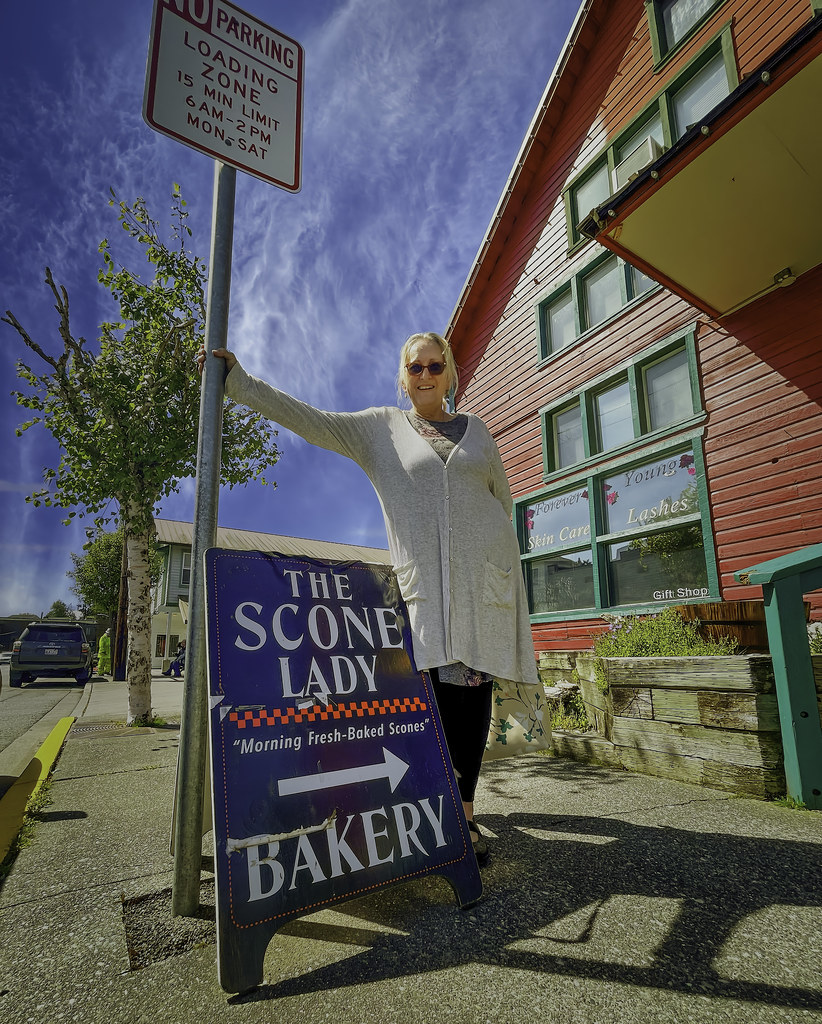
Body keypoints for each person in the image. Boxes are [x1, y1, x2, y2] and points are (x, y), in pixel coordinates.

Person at [199, 332, 540, 865]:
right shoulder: (382, 429)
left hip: (482, 587)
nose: (425, 375)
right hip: (425, 591)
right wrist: (240, 385)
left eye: (434, 365)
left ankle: (465, 815)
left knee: (472, 698)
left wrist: (501, 565)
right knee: (436, 702)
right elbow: (315, 422)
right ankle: (437, 809)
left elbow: (503, 499)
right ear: (402, 377)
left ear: (450, 373)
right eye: (415, 368)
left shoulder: (479, 433)